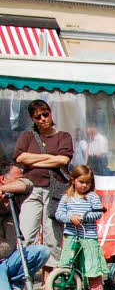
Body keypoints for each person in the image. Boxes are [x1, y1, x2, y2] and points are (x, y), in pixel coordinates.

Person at [13, 99, 73, 273]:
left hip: (54, 191)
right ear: (33, 119)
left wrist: (33, 159)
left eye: (45, 114)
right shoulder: (27, 136)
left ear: (50, 113)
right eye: (37, 117)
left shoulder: (63, 136)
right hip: (31, 189)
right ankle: (24, 279)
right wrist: (50, 160)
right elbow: (19, 158)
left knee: (52, 237)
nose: (42, 119)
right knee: (26, 235)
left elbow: (63, 160)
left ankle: (49, 283)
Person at [54, 165, 107, 290]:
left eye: (88, 183)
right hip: (71, 235)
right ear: (73, 180)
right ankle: (67, 289)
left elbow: (98, 212)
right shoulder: (66, 198)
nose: (84, 185)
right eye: (81, 182)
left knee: (92, 263)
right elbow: (58, 214)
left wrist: (84, 217)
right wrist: (70, 217)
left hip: (88, 236)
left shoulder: (92, 197)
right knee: (67, 262)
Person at [0, 161, 48, 290]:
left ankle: (15, 283)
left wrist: (2, 189)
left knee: (41, 251)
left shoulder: (16, 197)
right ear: (3, 178)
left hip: (11, 259)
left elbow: (28, 184)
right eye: (17, 177)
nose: (21, 179)